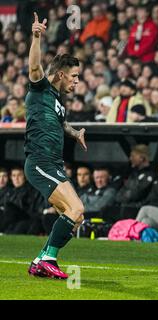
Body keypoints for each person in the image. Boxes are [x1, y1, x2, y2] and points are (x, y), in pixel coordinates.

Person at [24, 13, 87, 279]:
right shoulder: (40, 88)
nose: (76, 81)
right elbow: (35, 68)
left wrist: (74, 132)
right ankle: (49, 257)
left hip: (51, 163)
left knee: (76, 217)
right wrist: (36, 37)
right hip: (41, 161)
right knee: (77, 209)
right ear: (60, 74)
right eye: (74, 76)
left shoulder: (56, 100)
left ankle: (41, 260)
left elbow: (59, 123)